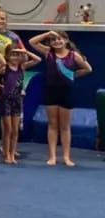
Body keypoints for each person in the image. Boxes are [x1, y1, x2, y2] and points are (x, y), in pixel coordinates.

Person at [28, 31, 92, 166]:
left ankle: (66, 156)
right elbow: (32, 42)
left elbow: (88, 69)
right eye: (53, 40)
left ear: (66, 40)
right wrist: (48, 33)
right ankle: (52, 156)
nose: (57, 41)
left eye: (60, 39)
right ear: (50, 42)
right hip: (51, 92)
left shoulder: (74, 55)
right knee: (52, 125)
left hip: (66, 93)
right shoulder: (48, 53)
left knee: (65, 126)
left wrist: (73, 75)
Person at [0, 45, 40, 164]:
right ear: (7, 56)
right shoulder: (5, 68)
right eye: (12, 54)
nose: (15, 57)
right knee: (8, 129)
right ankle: (6, 154)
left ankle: (12, 153)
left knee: (15, 130)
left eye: (17, 54)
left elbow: (38, 60)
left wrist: (24, 51)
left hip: (17, 100)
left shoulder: (22, 67)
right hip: (6, 100)